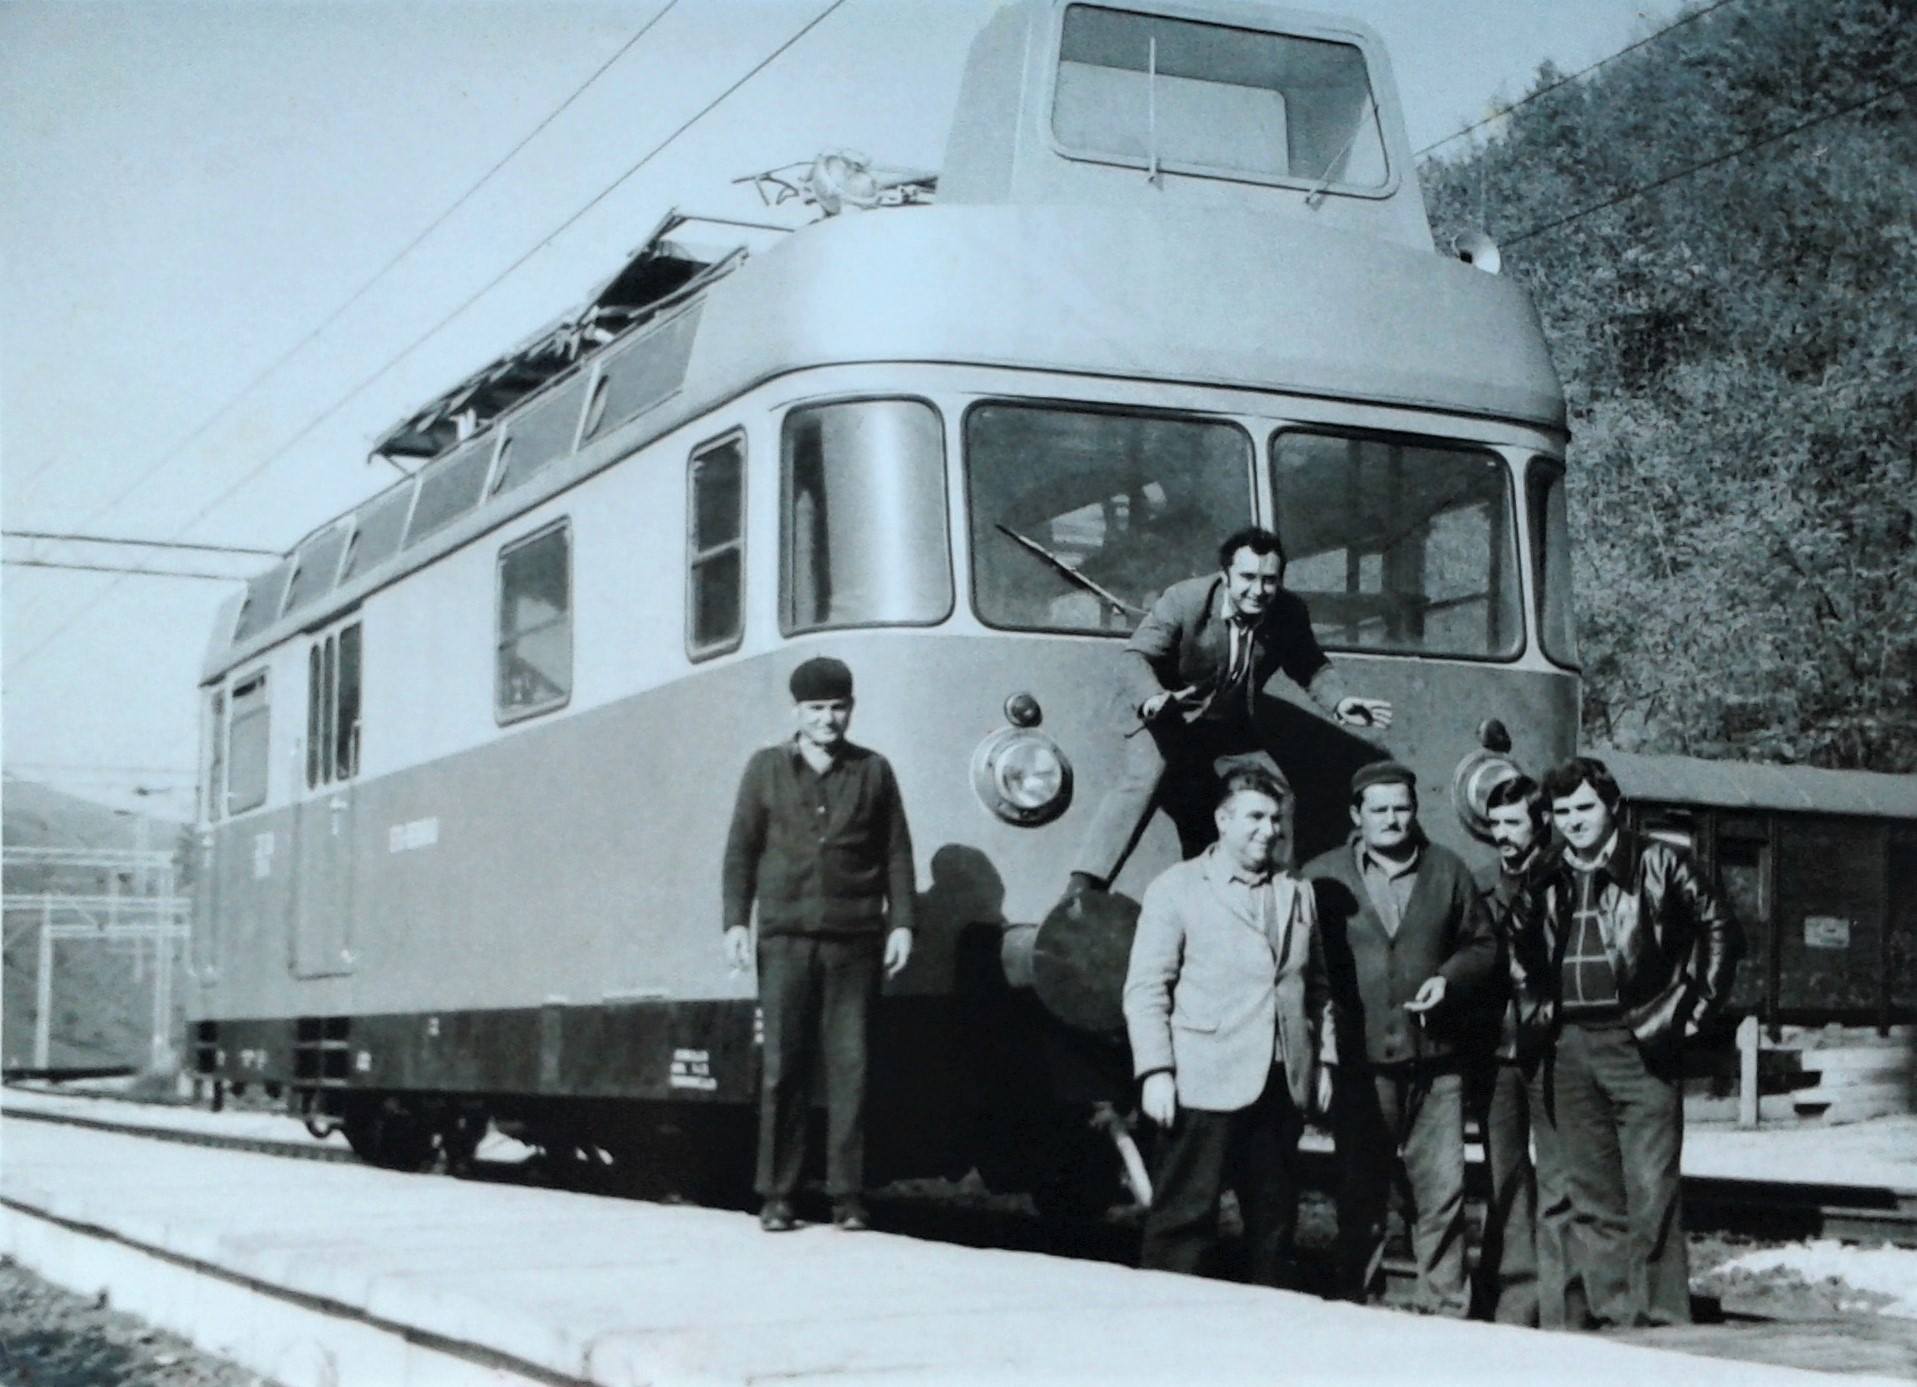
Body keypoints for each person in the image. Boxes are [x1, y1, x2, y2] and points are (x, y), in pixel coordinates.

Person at [1514, 756, 1739, 1327]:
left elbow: (1719, 926)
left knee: (1652, 1188)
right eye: (1563, 811)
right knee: (1592, 1194)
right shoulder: (1544, 872)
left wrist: (1696, 1006)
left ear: (1613, 807)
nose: (1574, 821)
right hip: (1568, 1046)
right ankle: (1617, 1319)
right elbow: (1517, 943)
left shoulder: (1660, 861)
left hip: (1640, 1042)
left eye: (1585, 807)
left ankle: (1663, 1320)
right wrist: (1532, 1004)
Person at [1065, 527, 1393, 898]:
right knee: (1147, 777)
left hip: (1226, 726)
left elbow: (1311, 665)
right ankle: (1084, 887)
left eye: (1269, 580)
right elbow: (1135, 657)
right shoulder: (1185, 601)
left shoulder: (1287, 611)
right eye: (1248, 578)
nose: (1258, 590)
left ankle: (1274, 894)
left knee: (1277, 794)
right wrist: (1154, 697)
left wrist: (1339, 702)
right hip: (1163, 715)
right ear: (1226, 576)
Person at [721, 656, 915, 1233]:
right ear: (796, 712)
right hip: (784, 938)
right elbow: (740, 850)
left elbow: (896, 852)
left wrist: (903, 921)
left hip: (855, 940)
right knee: (783, 1067)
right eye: (816, 709)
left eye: (837, 707)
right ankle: (778, 1195)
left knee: (852, 1068)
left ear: (850, 709)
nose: (828, 719)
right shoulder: (765, 769)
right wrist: (736, 922)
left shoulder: (874, 771)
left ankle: (848, 1196)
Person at [1122, 766, 1329, 1286]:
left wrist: (1324, 1060)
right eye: (1255, 817)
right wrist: (1155, 1072)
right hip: (1201, 1081)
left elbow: (1318, 987)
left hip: (1280, 1082)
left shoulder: (1296, 891)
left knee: (1274, 1226)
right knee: (1184, 1223)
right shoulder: (1177, 888)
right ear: (1222, 820)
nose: (1269, 830)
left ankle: (1263, 1340)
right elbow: (1147, 987)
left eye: (1275, 819)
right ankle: (1167, 1331)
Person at [1306, 761, 1495, 1317]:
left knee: (1442, 1193)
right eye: (1380, 809)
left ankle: (1444, 1307)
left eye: (1402, 808)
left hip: (1436, 1064)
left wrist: (1448, 977)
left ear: (1416, 811)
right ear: (1356, 816)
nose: (1392, 819)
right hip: (1361, 1066)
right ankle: (1357, 1301)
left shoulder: (1448, 871)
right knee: (1360, 1190)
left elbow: (1483, 946)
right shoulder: (1322, 876)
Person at [1469, 774, 1571, 1326]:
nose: (1503, 834)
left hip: (1550, 1045)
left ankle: (1558, 1302)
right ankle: (1516, 1298)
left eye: (1514, 822)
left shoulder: (1564, 880)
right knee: (1505, 1174)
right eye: (1496, 824)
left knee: (1558, 1174)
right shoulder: (1480, 886)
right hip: (1494, 1051)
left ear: (1541, 822)